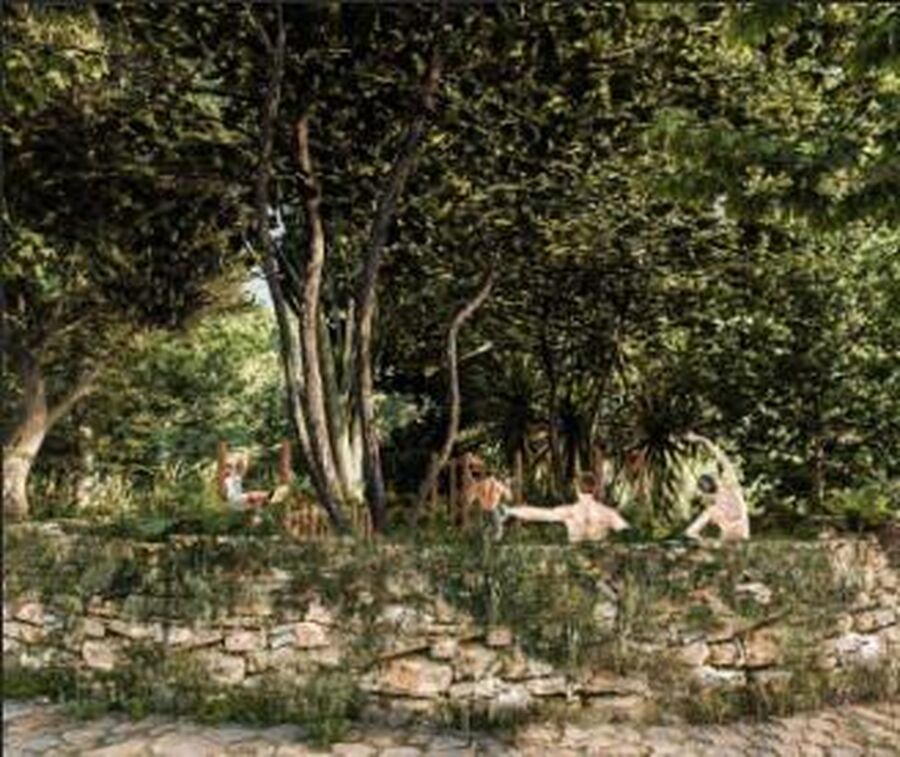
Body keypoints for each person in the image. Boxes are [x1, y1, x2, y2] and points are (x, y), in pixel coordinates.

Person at [494, 474, 630, 543]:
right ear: (595, 489)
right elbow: (627, 533)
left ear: (577, 490)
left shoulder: (569, 511)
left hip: (579, 559)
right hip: (601, 558)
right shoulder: (608, 513)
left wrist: (511, 511)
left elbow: (538, 514)